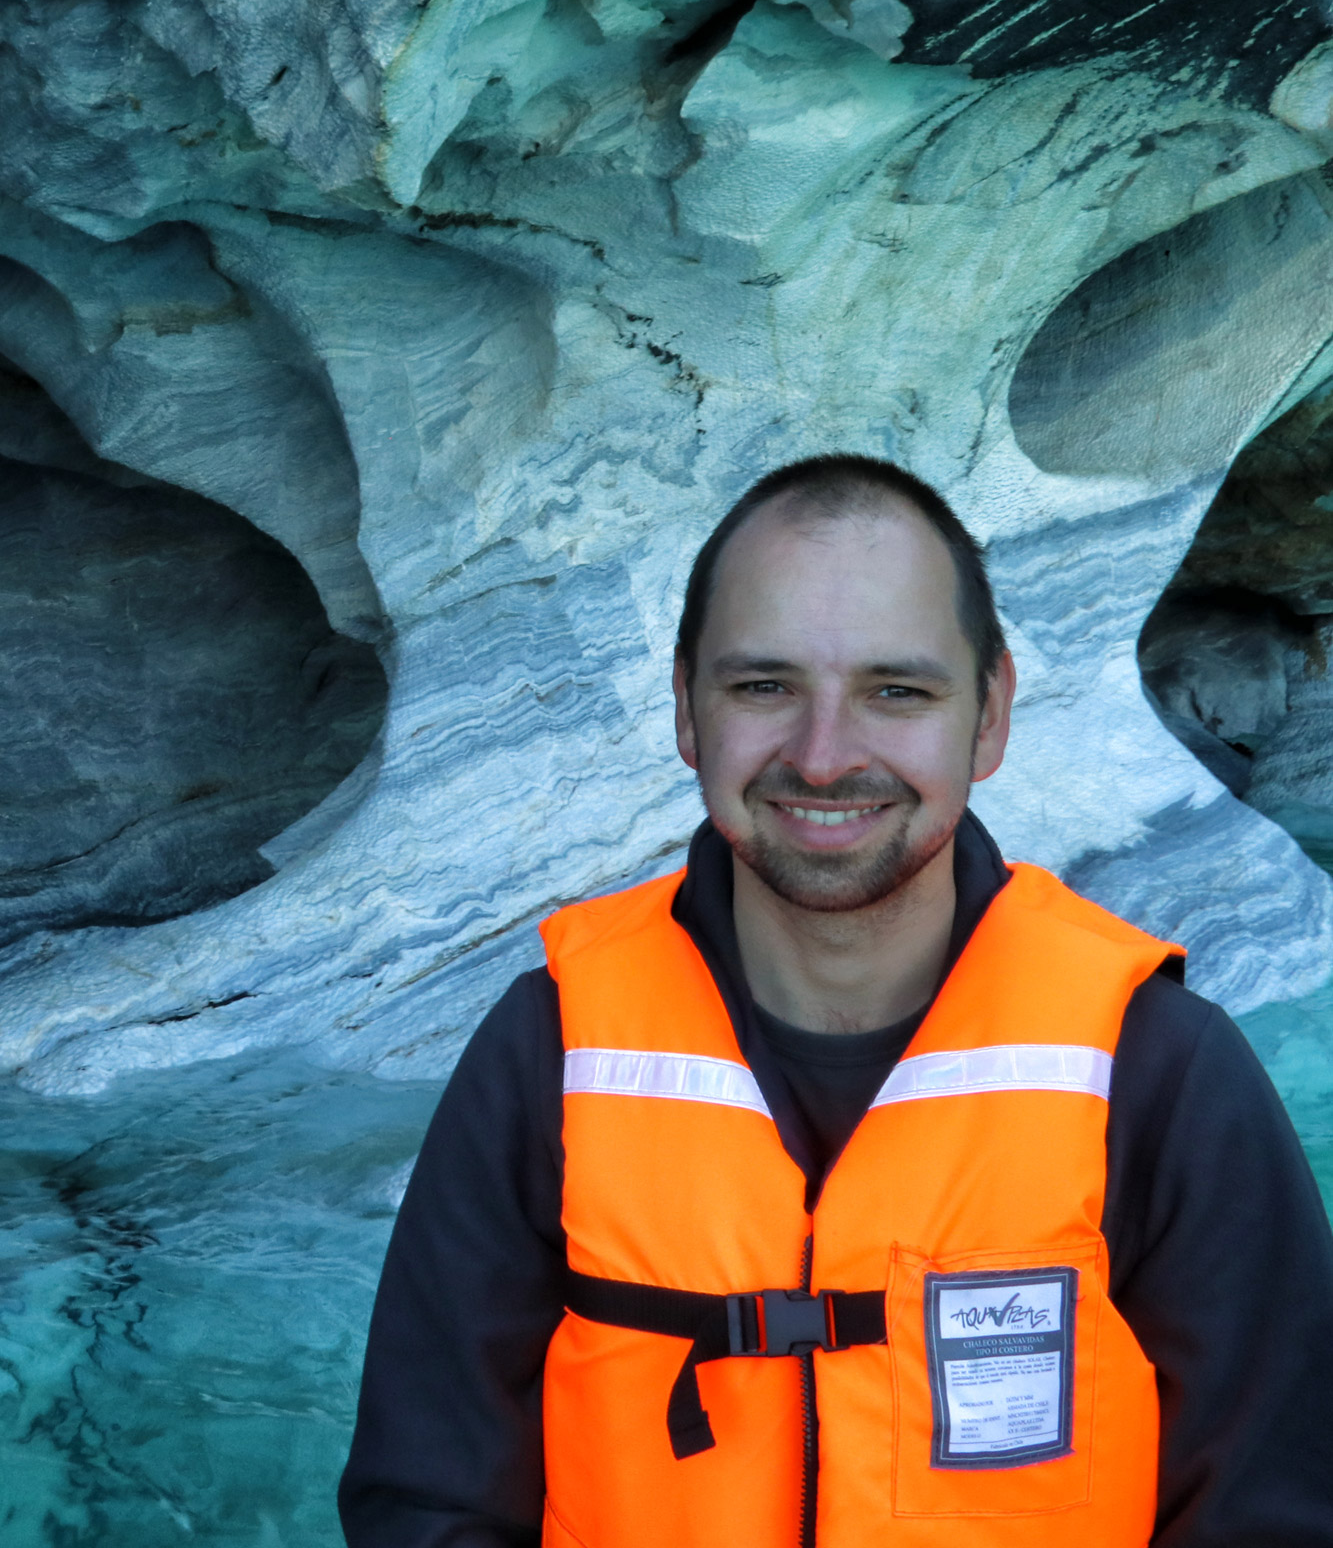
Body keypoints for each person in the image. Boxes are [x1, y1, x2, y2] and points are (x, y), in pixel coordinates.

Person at [339, 453, 1333, 1548]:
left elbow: (1269, 1508)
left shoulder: (1157, 1069)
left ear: (990, 715)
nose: (822, 756)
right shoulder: (550, 1050)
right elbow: (427, 1499)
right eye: (763, 685)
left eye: (894, 690)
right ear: (686, 710)